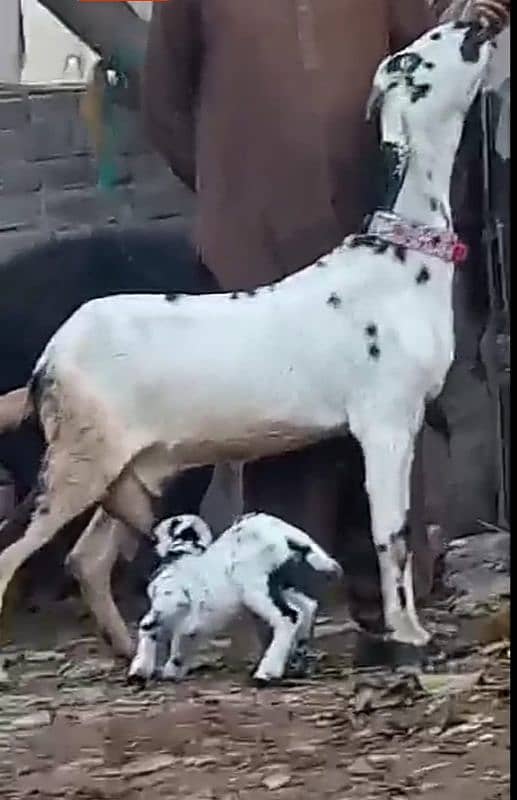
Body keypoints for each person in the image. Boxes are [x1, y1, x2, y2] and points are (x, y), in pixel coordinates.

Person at [142, 0, 510, 647]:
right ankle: (286, 626)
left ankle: (387, 616)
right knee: (280, 428)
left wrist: (465, 24)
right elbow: (164, 103)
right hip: (255, 234)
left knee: (387, 427)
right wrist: (226, 192)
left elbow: (422, 61)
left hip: (363, 233)